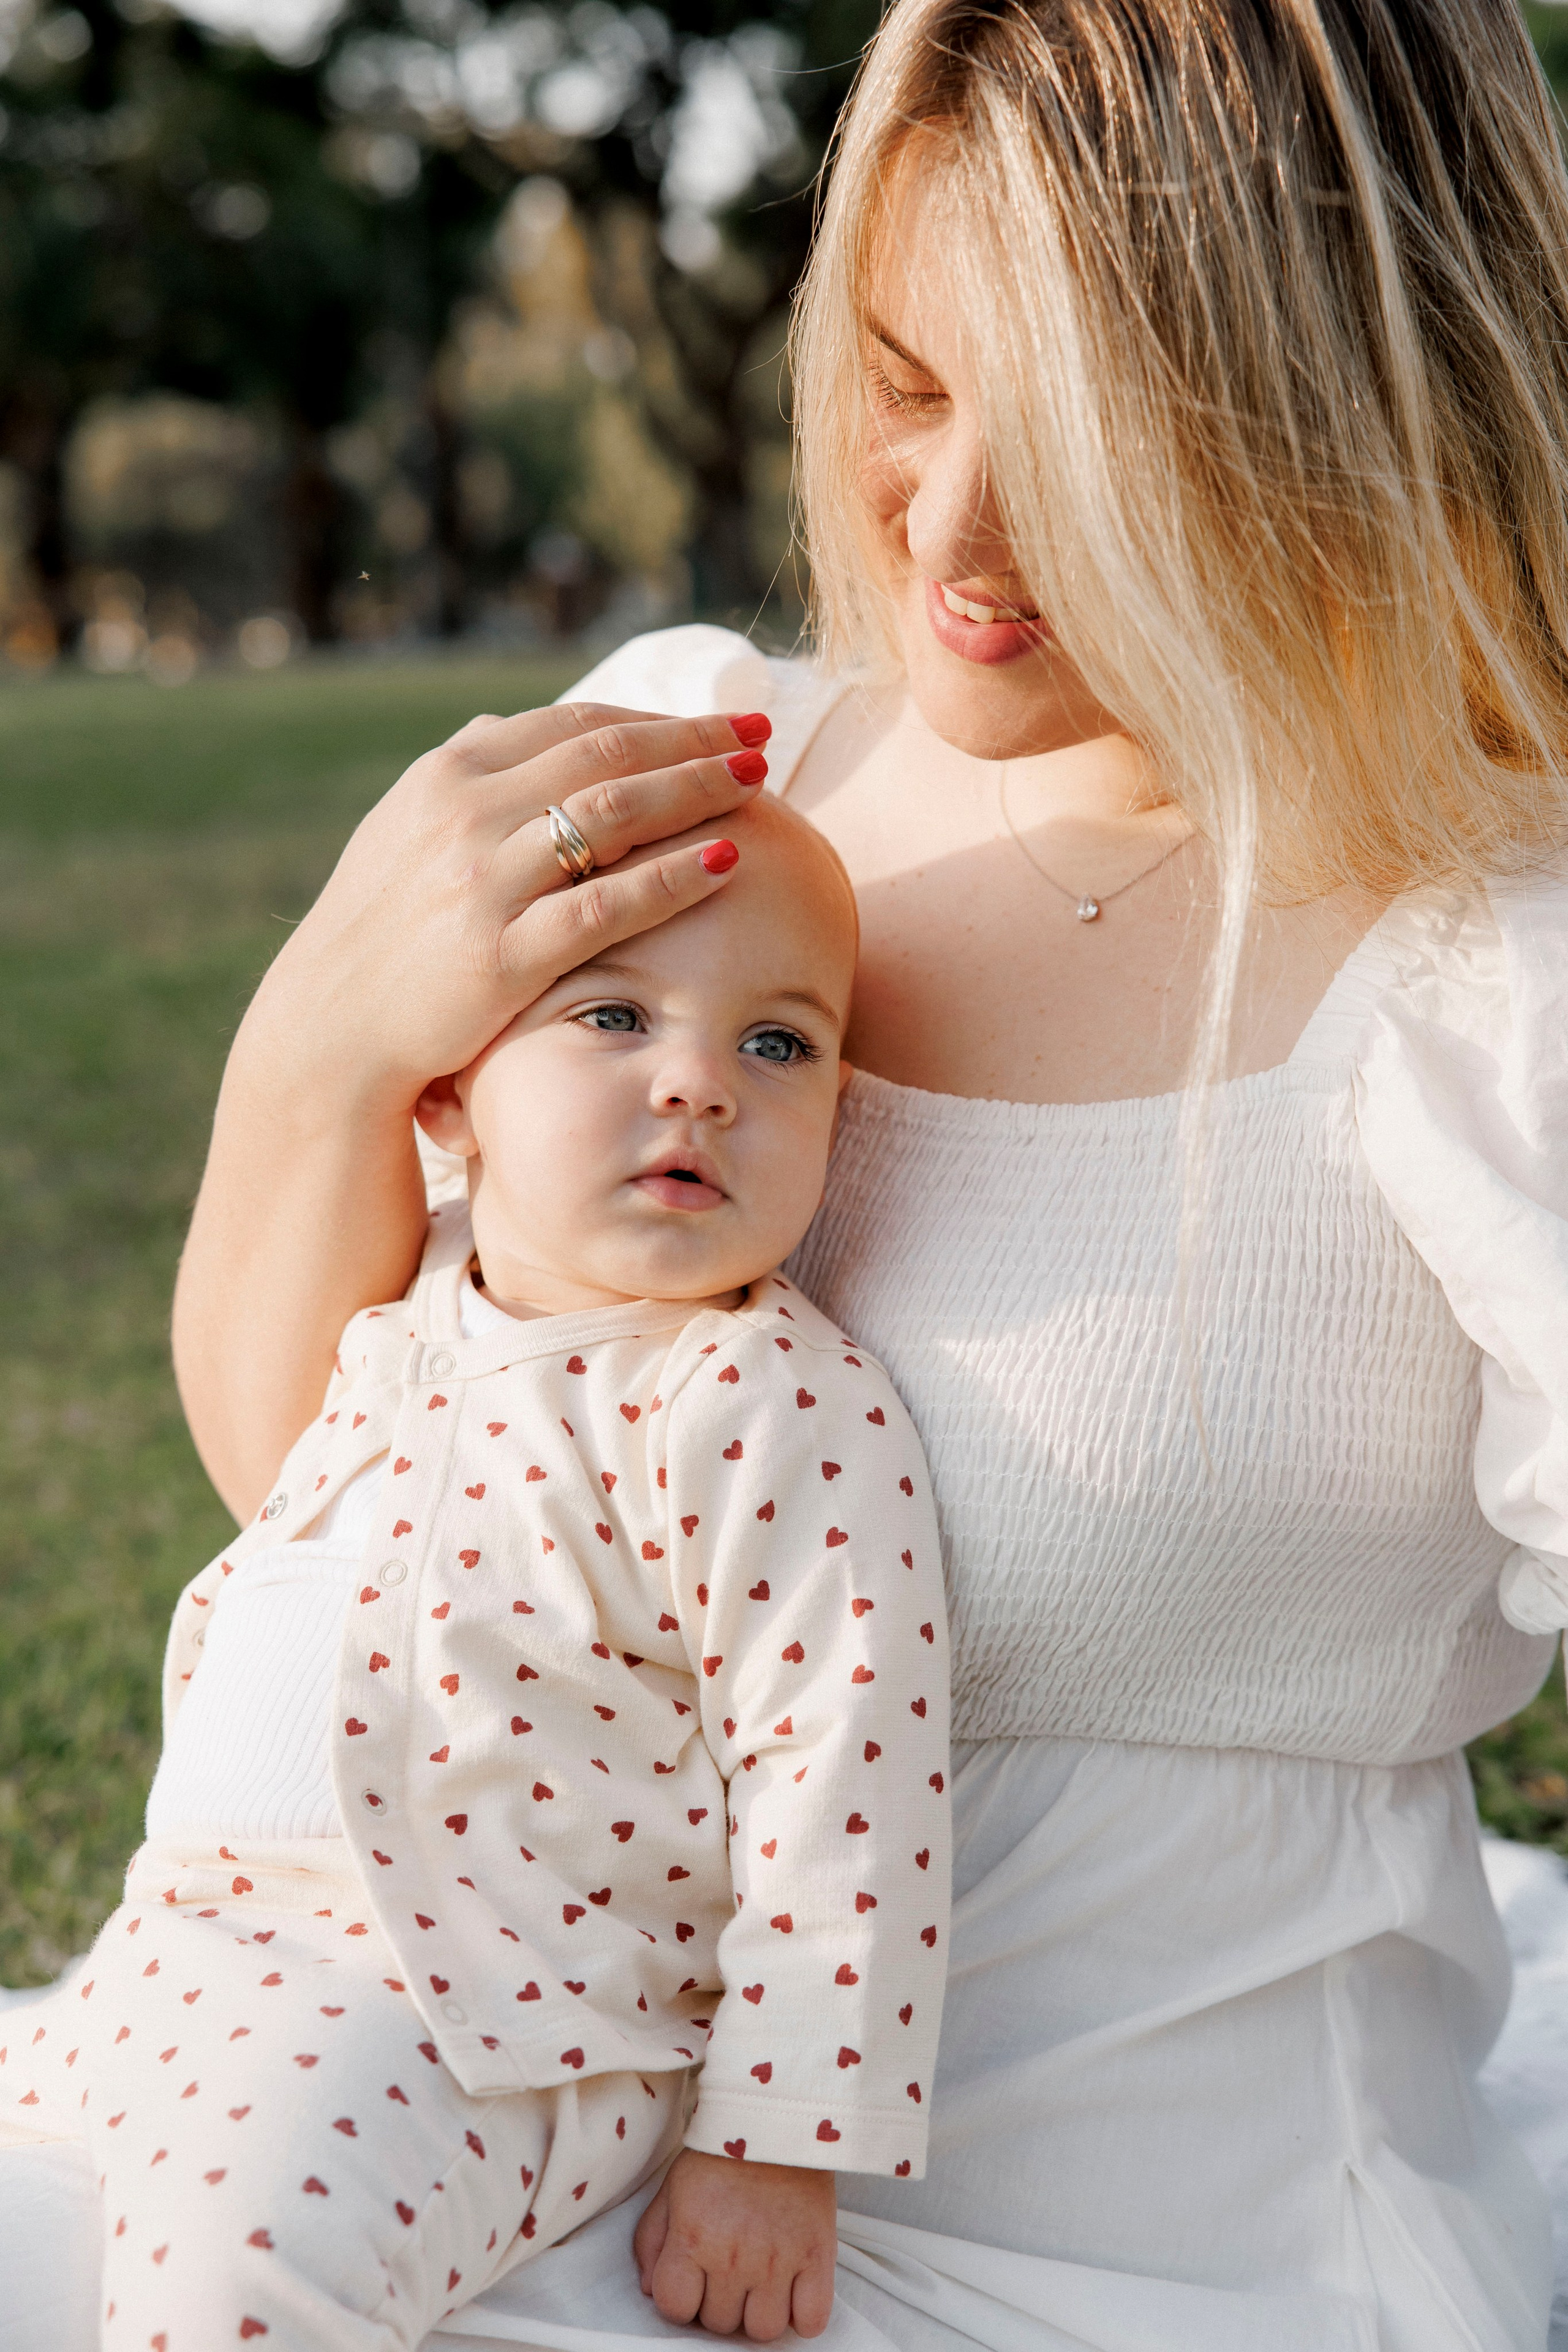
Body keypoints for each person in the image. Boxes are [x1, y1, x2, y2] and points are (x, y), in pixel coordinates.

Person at [11, 0, 1568, 2342]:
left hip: (1127, 2247)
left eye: (1081, 440)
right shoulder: (697, 771)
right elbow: (333, 1472)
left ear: (1340, 408)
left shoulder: (1491, 974)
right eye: (903, 383)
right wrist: (321, 1049)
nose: (940, 527)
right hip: (489, 2111)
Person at [0, 797, 952, 2349]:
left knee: (240, 2278)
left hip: (480, 2013)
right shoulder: (418, 1296)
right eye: (612, 1015)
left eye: (778, 1046)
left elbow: (846, 1779)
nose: (697, 1082)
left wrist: (776, 2140)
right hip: (177, 1949)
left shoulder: (755, 1397)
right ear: (451, 1097)